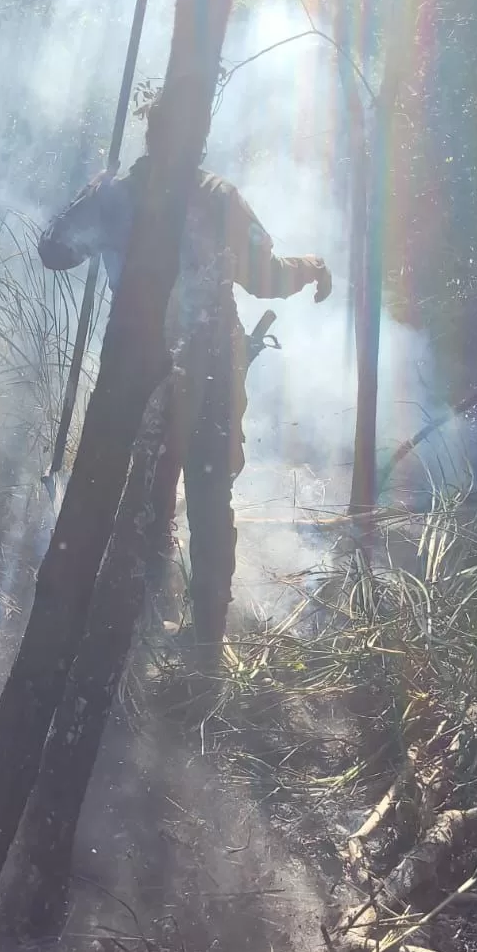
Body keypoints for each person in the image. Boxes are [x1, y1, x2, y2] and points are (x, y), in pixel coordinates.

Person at [38, 155, 332, 667]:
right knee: (205, 494)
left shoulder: (120, 195)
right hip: (204, 368)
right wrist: (310, 267)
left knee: (149, 489)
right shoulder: (211, 194)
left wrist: (91, 191)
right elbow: (267, 277)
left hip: (147, 367)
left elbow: (55, 248)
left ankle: (152, 626)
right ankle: (200, 642)